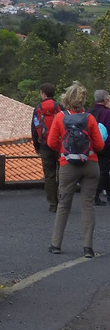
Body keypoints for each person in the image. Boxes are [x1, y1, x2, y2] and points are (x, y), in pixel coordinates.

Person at [47, 81, 105, 257]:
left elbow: (51, 142)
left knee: (64, 204)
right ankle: (88, 248)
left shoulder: (60, 117)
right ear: (82, 100)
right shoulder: (90, 119)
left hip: (67, 165)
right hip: (90, 164)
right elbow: (100, 145)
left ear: (66, 99)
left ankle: (56, 244)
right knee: (88, 205)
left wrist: (64, 150)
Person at [31, 83, 62, 212]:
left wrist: (36, 146)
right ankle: (62, 202)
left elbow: (34, 128)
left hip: (45, 146)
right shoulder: (60, 107)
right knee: (61, 174)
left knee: (49, 176)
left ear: (43, 94)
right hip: (60, 146)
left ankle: (53, 204)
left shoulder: (38, 109)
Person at [89, 89, 110, 205]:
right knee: (103, 170)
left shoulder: (89, 112)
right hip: (104, 147)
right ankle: (96, 195)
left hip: (90, 146)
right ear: (105, 99)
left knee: (97, 170)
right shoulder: (107, 113)